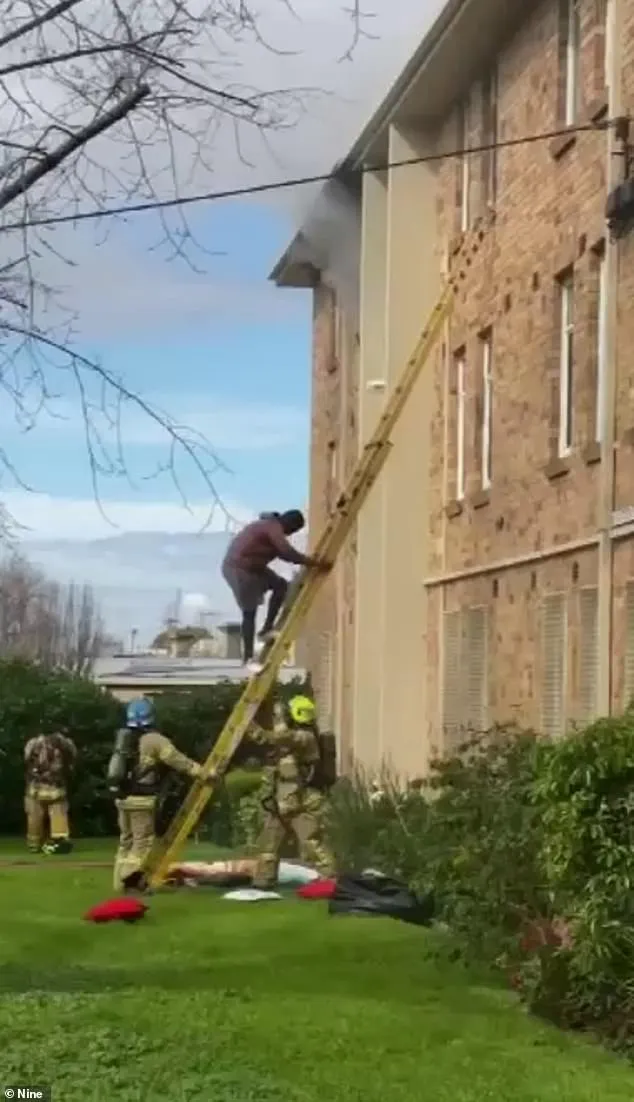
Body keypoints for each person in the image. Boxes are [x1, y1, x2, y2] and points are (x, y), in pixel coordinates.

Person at [108, 696, 215, 891]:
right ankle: (130, 882)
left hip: (122, 798)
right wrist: (204, 773)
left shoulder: (124, 738)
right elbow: (177, 760)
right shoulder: (154, 740)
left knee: (126, 841)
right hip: (142, 799)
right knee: (142, 843)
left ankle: (118, 883)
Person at [222, 509, 329, 672]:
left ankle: (266, 629)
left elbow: (282, 553)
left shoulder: (272, 529)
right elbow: (286, 552)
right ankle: (248, 658)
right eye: (292, 530)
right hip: (238, 569)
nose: (290, 534)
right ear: (288, 523)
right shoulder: (272, 527)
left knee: (280, 586)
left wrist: (308, 562)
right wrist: (313, 563)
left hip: (255, 569)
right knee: (249, 612)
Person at [248, 693, 334, 890]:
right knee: (269, 843)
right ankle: (263, 881)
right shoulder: (296, 740)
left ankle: (329, 881)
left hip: (302, 801)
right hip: (283, 801)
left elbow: (280, 737)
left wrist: (274, 716)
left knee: (311, 842)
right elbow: (270, 741)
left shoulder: (305, 737)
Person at [24, 725, 77, 854]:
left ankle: (34, 844)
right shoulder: (65, 743)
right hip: (56, 786)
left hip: (36, 786)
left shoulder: (33, 743)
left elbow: (26, 758)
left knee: (34, 816)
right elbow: (72, 758)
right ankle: (59, 841)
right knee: (58, 814)